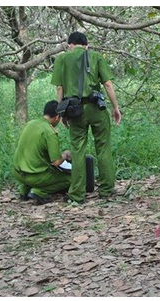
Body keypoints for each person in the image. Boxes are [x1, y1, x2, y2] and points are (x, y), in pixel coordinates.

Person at [51, 31, 121, 204]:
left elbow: (59, 88)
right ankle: (106, 191)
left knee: (78, 150)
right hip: (96, 108)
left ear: (70, 45)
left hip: (75, 111)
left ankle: (77, 195)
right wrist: (116, 107)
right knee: (103, 148)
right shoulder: (95, 56)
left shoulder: (62, 59)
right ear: (86, 45)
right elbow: (108, 84)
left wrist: (60, 112)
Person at [12, 100, 71, 205]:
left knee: (36, 165)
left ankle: (24, 189)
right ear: (57, 117)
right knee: (70, 178)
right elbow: (56, 162)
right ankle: (39, 192)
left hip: (18, 172)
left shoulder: (30, 124)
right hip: (35, 176)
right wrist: (65, 155)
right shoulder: (50, 132)